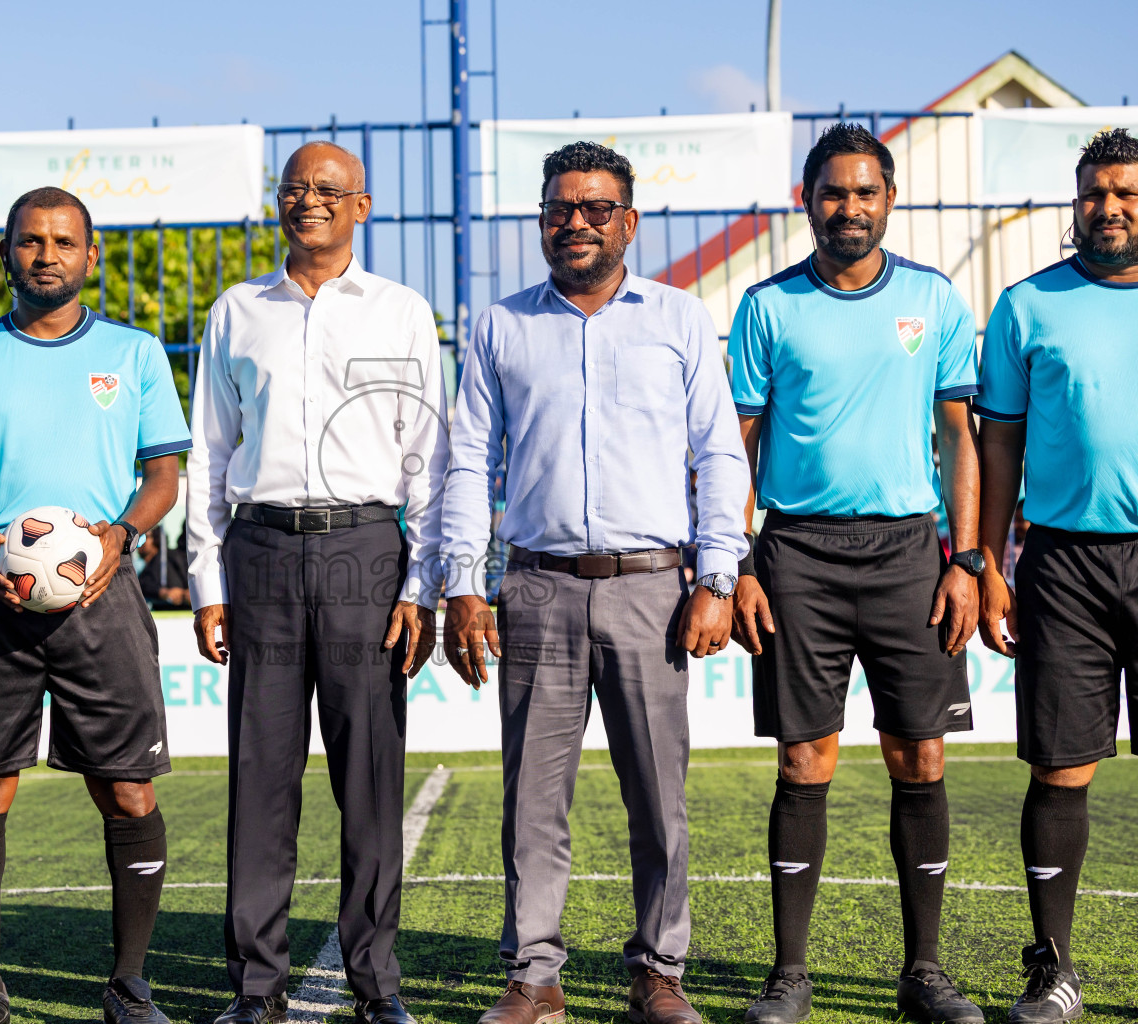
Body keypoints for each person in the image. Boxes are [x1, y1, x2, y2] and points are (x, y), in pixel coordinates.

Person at [441, 140, 748, 1024]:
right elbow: (468, 462)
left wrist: (717, 575)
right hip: (535, 587)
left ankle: (660, 972)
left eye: (595, 208)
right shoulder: (501, 326)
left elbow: (719, 452)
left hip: (652, 588)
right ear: (542, 221)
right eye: (559, 209)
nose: (575, 222)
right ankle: (534, 977)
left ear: (629, 222)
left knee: (658, 797)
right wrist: (464, 583)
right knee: (532, 800)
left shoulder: (680, 319)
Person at [0, 186, 190, 1024]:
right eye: (30, 241)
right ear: (7, 255)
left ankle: (129, 984)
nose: (47, 255)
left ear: (90, 256)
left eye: (64, 241)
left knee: (128, 791)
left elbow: (162, 477)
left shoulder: (135, 354)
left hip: (102, 593)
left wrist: (122, 535)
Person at [728, 123, 984, 1024]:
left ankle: (925, 971)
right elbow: (737, 446)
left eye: (865, 191)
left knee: (920, 753)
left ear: (889, 199)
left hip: (911, 554)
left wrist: (967, 559)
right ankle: (789, 975)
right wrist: (739, 562)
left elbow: (960, 437)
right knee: (806, 758)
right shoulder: (766, 306)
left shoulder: (932, 298)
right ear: (806, 202)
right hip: (796, 555)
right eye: (833, 192)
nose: (849, 207)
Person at [186, 141, 447, 1024]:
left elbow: (427, 457)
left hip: (366, 554)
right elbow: (209, 452)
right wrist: (207, 580)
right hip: (259, 550)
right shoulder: (237, 310)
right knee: (261, 778)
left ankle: (377, 985)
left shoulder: (401, 311)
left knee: (369, 776)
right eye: (295, 188)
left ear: (361, 206)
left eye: (328, 190)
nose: (309, 201)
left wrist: (421, 588)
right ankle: (257, 987)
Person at [975, 128, 1138, 1023]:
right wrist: (989, 563)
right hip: (1062, 564)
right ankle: (1052, 971)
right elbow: (999, 446)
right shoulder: (1027, 306)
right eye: (1095, 193)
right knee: (1060, 772)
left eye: (1127, 193)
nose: (1109, 208)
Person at [137, 526, 189, 609]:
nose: (138, 541)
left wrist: (186, 593)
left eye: (144, 536)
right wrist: (162, 593)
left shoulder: (172, 557)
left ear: (156, 538)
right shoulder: (143, 568)